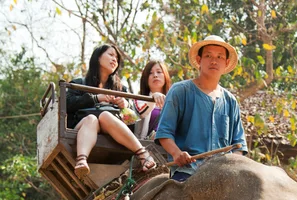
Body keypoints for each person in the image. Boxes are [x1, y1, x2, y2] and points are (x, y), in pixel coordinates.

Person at [155, 35, 248, 181]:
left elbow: (239, 146)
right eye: (208, 55)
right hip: (187, 172)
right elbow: (164, 132)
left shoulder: (231, 101)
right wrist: (177, 153)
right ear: (199, 60)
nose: (214, 61)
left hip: (222, 176)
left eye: (219, 57)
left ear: (226, 62)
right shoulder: (180, 91)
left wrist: (230, 167)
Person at [66, 44, 156, 179]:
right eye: (111, 55)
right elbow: (68, 104)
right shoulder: (79, 83)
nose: (115, 60)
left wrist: (124, 105)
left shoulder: (121, 89)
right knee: (92, 119)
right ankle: (82, 161)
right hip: (85, 125)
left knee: (105, 116)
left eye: (117, 58)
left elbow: (132, 119)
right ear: (98, 57)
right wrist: (96, 98)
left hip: (111, 126)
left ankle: (143, 154)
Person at [135, 60, 171, 139]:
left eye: (159, 72)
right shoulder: (139, 100)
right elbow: (141, 113)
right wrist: (153, 98)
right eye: (150, 73)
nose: (155, 75)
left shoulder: (174, 101)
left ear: (165, 75)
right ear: (145, 79)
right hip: (147, 145)